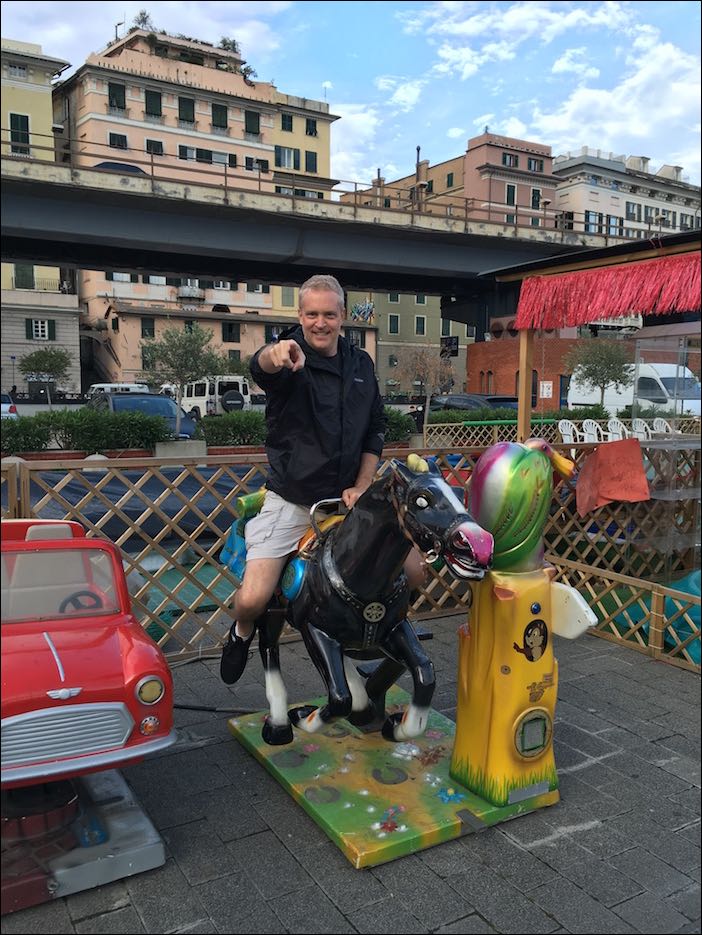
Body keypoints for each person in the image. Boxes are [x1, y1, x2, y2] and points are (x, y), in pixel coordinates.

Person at [220, 274, 426, 684]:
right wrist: (274, 356)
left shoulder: (361, 364)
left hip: (350, 500)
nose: (320, 323)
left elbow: (375, 429)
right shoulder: (289, 357)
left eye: (329, 314)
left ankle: (377, 636)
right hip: (294, 500)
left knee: (417, 571)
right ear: (300, 315)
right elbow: (261, 366)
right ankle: (241, 633)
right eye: (311, 314)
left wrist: (364, 484)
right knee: (254, 597)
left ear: (342, 316)